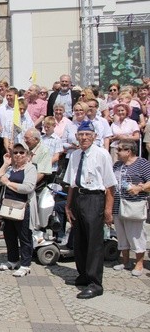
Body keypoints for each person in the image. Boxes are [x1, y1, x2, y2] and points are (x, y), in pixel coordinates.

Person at [63, 120, 116, 299]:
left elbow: (110, 185)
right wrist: (68, 206)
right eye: (81, 135)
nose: (84, 138)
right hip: (79, 196)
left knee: (94, 242)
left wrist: (108, 210)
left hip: (94, 198)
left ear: (94, 136)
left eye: (87, 135)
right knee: (80, 241)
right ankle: (83, 275)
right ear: (77, 137)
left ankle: (95, 283)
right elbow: (71, 182)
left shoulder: (102, 154)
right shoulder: (76, 155)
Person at [0, 141, 39, 277]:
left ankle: (25, 264)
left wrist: (8, 183)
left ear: (27, 155)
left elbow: (28, 187)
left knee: (24, 236)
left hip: (23, 206)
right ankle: (12, 260)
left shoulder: (30, 168)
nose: (18, 155)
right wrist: (6, 164)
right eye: (15, 152)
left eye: (21, 152)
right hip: (7, 206)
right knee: (9, 235)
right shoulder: (10, 168)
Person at [112, 140, 150, 276]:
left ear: (129, 151)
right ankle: (125, 260)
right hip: (117, 204)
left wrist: (140, 188)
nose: (117, 152)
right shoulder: (117, 165)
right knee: (121, 234)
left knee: (135, 234)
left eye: (120, 149)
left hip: (134, 205)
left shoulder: (142, 163)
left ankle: (139, 263)